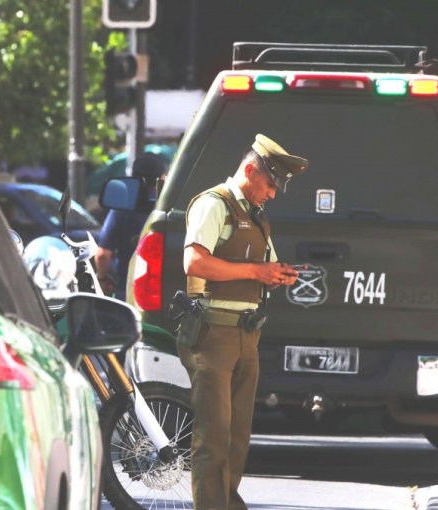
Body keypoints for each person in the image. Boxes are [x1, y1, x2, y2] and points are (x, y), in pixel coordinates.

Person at [179, 133, 307, 510]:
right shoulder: (213, 204)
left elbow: (258, 270)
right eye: (270, 184)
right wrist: (256, 270)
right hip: (213, 334)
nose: (272, 194)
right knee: (213, 439)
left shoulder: (255, 217)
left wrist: (277, 274)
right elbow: (194, 262)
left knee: (237, 439)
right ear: (250, 170)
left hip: (246, 334)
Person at [94, 152, 167, 300]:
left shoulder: (122, 208)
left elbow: (102, 255)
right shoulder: (170, 207)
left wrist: (101, 278)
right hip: (165, 295)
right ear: (162, 178)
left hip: (127, 291)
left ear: (133, 177)